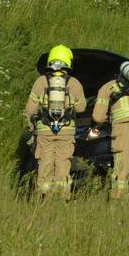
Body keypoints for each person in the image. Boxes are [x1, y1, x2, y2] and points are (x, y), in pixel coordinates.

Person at [23, 44, 86, 200]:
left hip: (44, 130)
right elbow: (81, 108)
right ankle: (62, 199)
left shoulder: (40, 81)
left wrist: (31, 130)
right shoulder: (75, 83)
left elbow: (30, 110)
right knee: (63, 166)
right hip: (66, 131)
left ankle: (44, 198)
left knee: (45, 165)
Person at [91, 61, 129, 198]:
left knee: (121, 166)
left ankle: (119, 199)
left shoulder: (108, 87)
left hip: (122, 130)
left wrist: (105, 120)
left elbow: (98, 117)